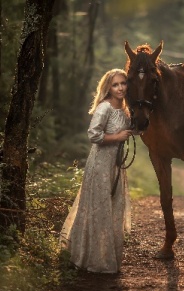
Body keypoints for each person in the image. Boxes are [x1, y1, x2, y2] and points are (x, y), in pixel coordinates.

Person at [60, 68, 132, 273]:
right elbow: (93, 134)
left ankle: (108, 257)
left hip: (116, 165)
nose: (120, 88)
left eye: (123, 83)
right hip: (100, 162)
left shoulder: (126, 108)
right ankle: (89, 258)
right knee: (99, 207)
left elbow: (131, 129)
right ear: (108, 87)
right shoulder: (104, 107)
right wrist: (117, 138)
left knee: (113, 208)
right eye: (115, 84)